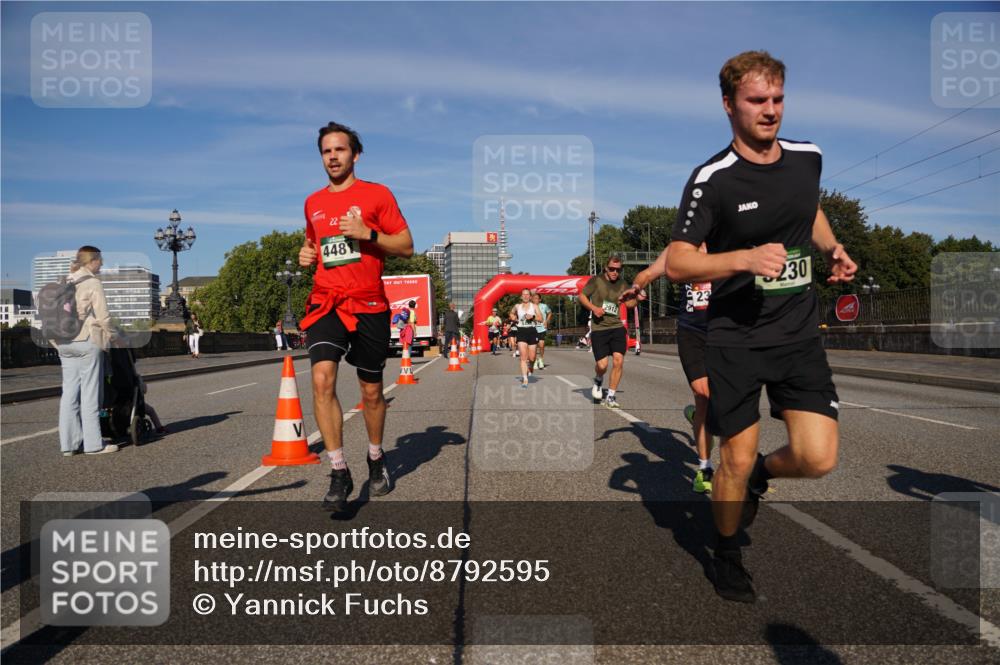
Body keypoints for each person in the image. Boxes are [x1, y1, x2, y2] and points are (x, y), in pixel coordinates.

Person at [664, 51, 857, 603]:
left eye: (777, 99)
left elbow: (809, 208)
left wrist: (832, 247)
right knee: (734, 456)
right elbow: (678, 262)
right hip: (736, 339)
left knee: (818, 458)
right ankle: (727, 553)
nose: (770, 110)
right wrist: (743, 259)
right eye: (757, 100)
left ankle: (760, 477)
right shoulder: (711, 180)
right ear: (729, 105)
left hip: (798, 335)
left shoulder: (808, 158)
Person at [297, 121, 414, 511]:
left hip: (368, 304)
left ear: (355, 155)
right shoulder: (313, 202)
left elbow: (406, 246)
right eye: (326, 151)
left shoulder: (377, 195)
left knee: (371, 392)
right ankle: (338, 471)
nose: (332, 157)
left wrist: (369, 234)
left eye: (340, 149)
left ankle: (376, 457)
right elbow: (313, 243)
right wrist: (306, 254)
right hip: (326, 301)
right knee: (321, 379)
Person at [623, 244, 715, 493]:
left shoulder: (728, 240)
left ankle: (699, 418)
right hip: (691, 332)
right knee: (703, 395)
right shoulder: (680, 249)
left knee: (722, 402)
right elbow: (647, 273)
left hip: (724, 331)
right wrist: (637, 287)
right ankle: (705, 469)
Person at [55, 246, 118, 455]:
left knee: (69, 395)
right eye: (100, 260)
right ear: (92, 260)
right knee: (91, 394)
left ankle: (69, 445)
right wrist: (113, 336)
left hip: (64, 342)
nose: (102, 264)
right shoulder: (92, 282)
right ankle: (93, 444)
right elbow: (104, 317)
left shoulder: (64, 280)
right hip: (85, 340)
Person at [578, 255, 637, 408]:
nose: (615, 272)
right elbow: (582, 296)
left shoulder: (623, 283)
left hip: (617, 327)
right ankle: (598, 379)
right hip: (599, 328)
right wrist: (594, 308)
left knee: (618, 360)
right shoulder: (596, 280)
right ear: (606, 268)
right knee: (602, 365)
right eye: (612, 269)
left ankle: (611, 396)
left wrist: (636, 297)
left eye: (618, 270)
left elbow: (630, 304)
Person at [510, 288, 542, 388]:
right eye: (524, 294)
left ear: (530, 296)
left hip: (532, 331)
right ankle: (525, 379)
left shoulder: (534, 306)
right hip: (521, 331)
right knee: (523, 357)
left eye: (527, 294)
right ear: (521, 296)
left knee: (532, 357)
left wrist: (532, 317)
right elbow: (511, 313)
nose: (525, 296)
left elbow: (541, 318)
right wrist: (513, 317)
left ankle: (531, 366)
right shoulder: (517, 306)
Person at [532, 292, 552, 370]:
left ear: (540, 300)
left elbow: (550, 313)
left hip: (542, 328)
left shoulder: (544, 306)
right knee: (534, 346)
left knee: (541, 345)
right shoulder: (530, 306)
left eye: (537, 298)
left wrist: (546, 321)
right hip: (533, 328)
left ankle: (541, 359)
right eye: (534, 298)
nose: (535, 300)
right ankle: (535, 361)